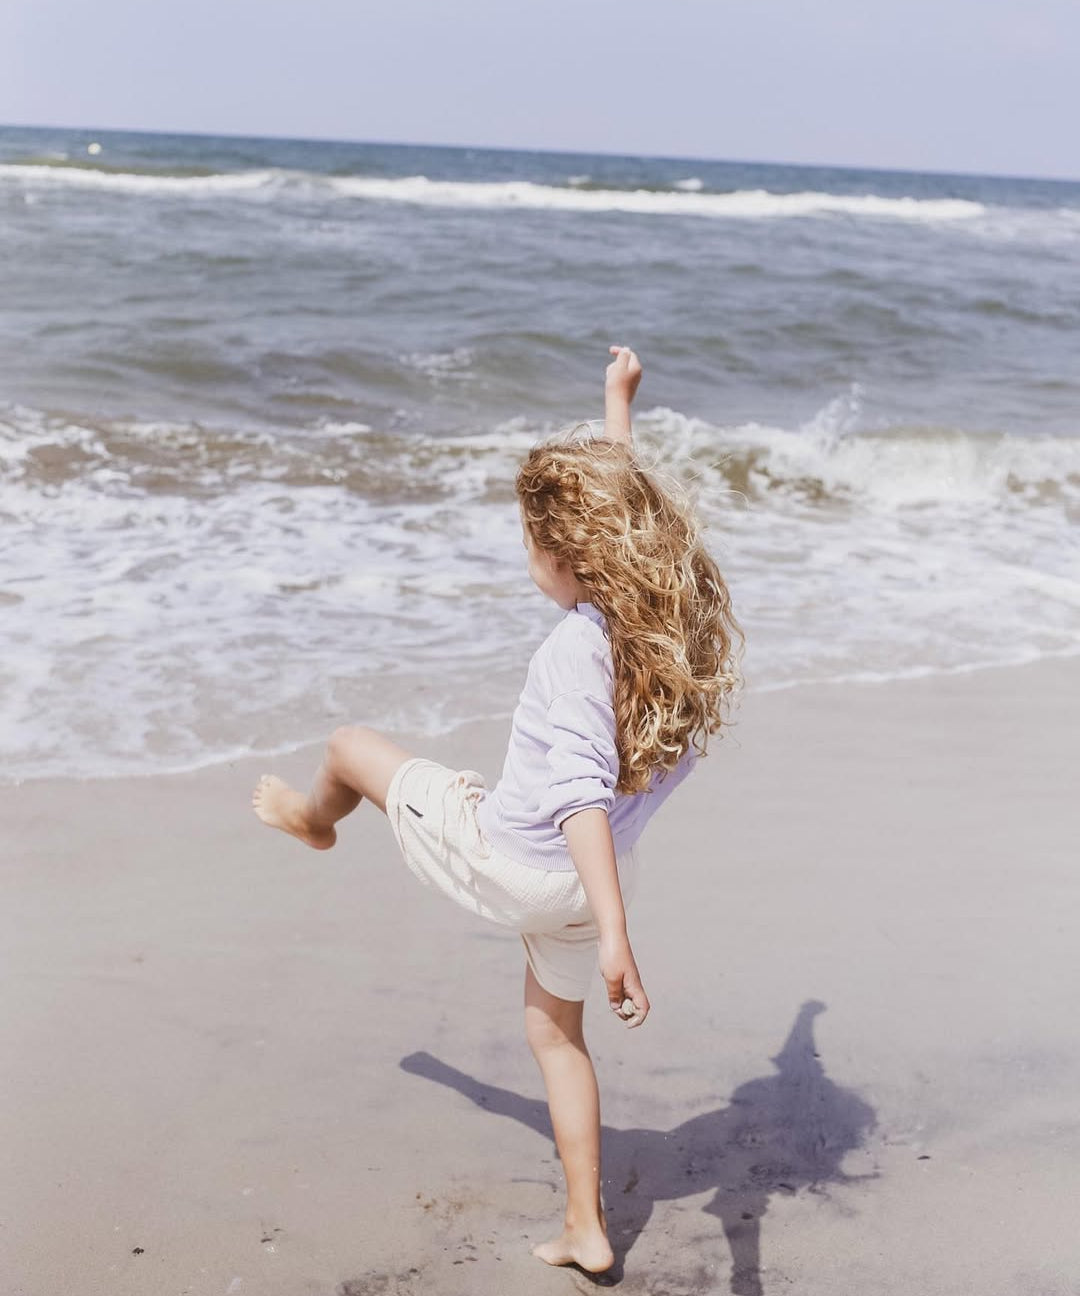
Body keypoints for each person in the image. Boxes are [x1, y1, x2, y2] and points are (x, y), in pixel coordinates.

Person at [252, 346, 743, 1273]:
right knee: (557, 1039)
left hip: (520, 857)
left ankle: (318, 821)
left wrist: (615, 936)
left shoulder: (575, 650)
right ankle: (586, 1228)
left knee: (348, 748)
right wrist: (615, 405)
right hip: (581, 884)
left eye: (530, 542)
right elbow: (629, 510)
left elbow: (578, 794)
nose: (528, 555)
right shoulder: (664, 628)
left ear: (564, 556)